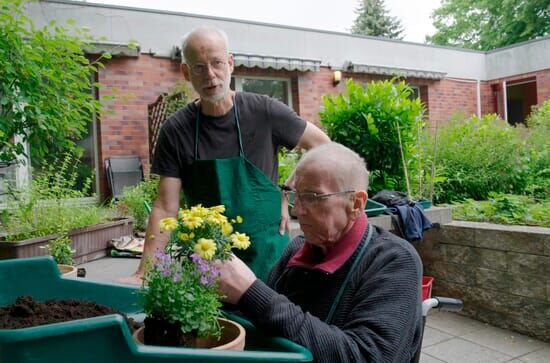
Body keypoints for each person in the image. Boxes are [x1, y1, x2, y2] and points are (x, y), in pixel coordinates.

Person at [119, 26, 329, 284]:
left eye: (217, 63)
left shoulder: (264, 112)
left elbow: (323, 145)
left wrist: (288, 188)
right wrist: (145, 273)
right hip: (209, 260)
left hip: (269, 258)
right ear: (186, 73)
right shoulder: (175, 130)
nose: (210, 75)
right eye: (198, 67)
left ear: (230, 63)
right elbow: (165, 207)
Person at [215, 143, 423, 363]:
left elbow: (368, 356)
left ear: (356, 203)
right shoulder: (297, 249)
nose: (296, 211)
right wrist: (228, 295)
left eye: (312, 197)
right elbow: (268, 321)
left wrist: (252, 293)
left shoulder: (395, 261)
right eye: (294, 195)